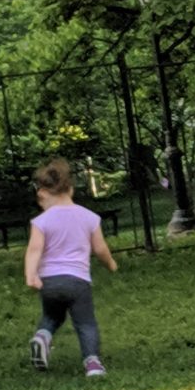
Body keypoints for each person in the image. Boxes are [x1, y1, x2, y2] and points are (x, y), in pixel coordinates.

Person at [24, 158, 118, 377]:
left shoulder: (41, 221)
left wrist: (31, 275)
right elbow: (100, 249)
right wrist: (111, 264)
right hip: (78, 281)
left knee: (52, 316)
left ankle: (43, 336)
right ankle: (92, 363)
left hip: (49, 281)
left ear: (43, 194)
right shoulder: (89, 217)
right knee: (85, 323)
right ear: (71, 190)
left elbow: (34, 250)